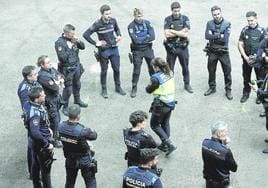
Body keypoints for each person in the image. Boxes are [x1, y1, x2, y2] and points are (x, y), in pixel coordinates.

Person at [83, 4, 126, 99]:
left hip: (114, 48)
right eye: (107, 14)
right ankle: (104, 89)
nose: (109, 15)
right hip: (104, 51)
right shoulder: (97, 24)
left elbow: (117, 29)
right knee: (104, 70)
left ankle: (118, 87)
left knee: (117, 69)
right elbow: (86, 34)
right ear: (102, 14)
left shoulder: (113, 21)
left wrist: (119, 35)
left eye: (110, 13)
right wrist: (95, 43)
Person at [58, 104, 98, 188]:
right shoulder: (82, 131)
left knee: (69, 181)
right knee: (90, 182)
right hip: (84, 160)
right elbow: (94, 136)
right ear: (78, 116)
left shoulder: (60, 126)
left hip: (70, 159)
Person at [146, 57, 177, 156]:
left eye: (153, 67)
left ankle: (169, 144)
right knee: (165, 123)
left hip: (161, 104)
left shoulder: (156, 78)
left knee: (154, 125)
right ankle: (165, 145)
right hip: (170, 102)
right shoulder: (170, 72)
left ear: (156, 67)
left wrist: (148, 86)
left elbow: (149, 90)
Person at [55, 24, 88, 116]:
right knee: (68, 89)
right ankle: (65, 106)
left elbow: (83, 47)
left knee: (77, 84)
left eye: (74, 33)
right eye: (71, 34)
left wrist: (77, 41)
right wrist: (70, 48)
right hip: (67, 69)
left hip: (76, 66)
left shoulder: (73, 39)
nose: (73, 35)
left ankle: (77, 100)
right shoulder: (59, 43)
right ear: (66, 33)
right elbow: (62, 58)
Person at [25, 87, 54, 188]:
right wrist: (47, 145)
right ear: (36, 99)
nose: (45, 96)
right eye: (42, 95)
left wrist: (47, 128)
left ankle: (36, 185)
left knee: (35, 165)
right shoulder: (35, 114)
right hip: (41, 145)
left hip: (33, 142)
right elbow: (35, 132)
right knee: (45, 170)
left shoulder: (28, 104)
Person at [203, 6, 233, 100]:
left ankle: (228, 89)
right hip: (212, 51)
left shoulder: (227, 23)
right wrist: (220, 35)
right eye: (214, 14)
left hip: (223, 51)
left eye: (218, 14)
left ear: (221, 13)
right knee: (211, 70)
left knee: (227, 71)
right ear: (212, 15)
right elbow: (207, 36)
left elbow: (225, 39)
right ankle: (212, 87)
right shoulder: (209, 23)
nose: (216, 16)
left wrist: (214, 35)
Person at [163, 1, 193, 93]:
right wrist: (180, 32)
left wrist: (173, 31)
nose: (176, 13)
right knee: (169, 68)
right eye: (174, 11)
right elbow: (167, 35)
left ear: (180, 10)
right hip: (171, 48)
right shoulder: (167, 19)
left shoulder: (185, 18)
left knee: (185, 67)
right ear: (171, 11)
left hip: (182, 47)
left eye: (178, 11)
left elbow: (186, 34)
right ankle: (168, 86)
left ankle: (187, 84)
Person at [17, 65, 41, 179]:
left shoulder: (34, 83)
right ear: (28, 77)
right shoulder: (24, 89)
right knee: (32, 145)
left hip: (39, 113)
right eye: (35, 74)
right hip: (32, 118)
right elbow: (27, 107)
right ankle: (32, 172)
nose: (37, 75)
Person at [238, 11, 266, 103]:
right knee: (246, 78)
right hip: (247, 60)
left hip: (258, 61)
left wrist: (257, 58)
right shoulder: (244, 30)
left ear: (256, 19)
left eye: (252, 20)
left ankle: (260, 95)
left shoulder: (262, 31)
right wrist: (245, 57)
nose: (250, 22)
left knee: (260, 79)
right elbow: (240, 43)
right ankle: (246, 93)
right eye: (248, 20)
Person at [37, 55, 64, 148]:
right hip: (50, 101)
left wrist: (59, 79)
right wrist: (58, 81)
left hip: (56, 99)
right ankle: (55, 139)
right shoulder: (42, 76)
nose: (50, 63)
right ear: (42, 65)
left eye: (50, 61)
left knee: (58, 118)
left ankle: (56, 135)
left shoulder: (51, 69)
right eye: (48, 63)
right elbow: (54, 87)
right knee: (54, 121)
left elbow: (60, 75)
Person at [128, 8, 155, 98]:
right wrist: (146, 37)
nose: (139, 18)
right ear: (134, 16)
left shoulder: (147, 23)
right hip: (137, 51)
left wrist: (141, 38)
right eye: (137, 16)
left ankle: (154, 85)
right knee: (136, 70)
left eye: (140, 16)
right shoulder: (131, 26)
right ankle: (134, 87)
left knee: (152, 68)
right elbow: (135, 40)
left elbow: (153, 36)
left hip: (148, 49)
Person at [202, 121, 238, 188]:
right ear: (219, 133)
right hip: (221, 182)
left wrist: (222, 144)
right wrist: (225, 146)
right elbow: (234, 168)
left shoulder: (204, 143)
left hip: (209, 179)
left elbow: (215, 151)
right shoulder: (225, 151)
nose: (227, 133)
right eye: (225, 132)